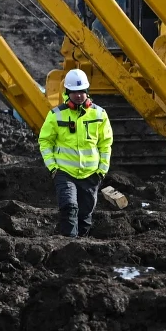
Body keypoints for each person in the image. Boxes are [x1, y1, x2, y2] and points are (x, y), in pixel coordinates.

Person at [38, 68, 113, 237]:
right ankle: (69, 242)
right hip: (64, 172)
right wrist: (53, 168)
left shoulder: (100, 114)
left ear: (87, 91)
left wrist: (102, 171)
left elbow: (105, 144)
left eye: (82, 92)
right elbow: (45, 141)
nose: (79, 95)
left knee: (85, 214)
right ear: (67, 92)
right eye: (74, 92)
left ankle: (81, 245)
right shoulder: (56, 115)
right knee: (69, 207)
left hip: (91, 174)